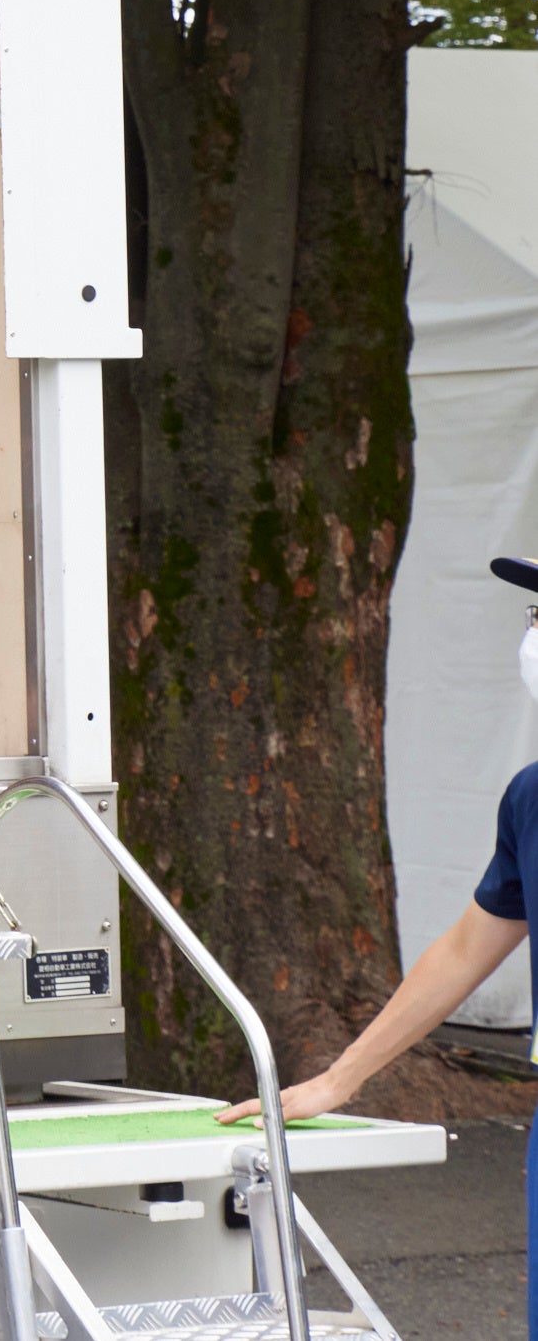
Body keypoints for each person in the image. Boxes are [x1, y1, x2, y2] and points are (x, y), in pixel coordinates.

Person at [219, 553, 538, 1336]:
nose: (535, 637)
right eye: (536, 617)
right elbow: (466, 948)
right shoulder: (531, 796)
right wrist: (340, 1078)